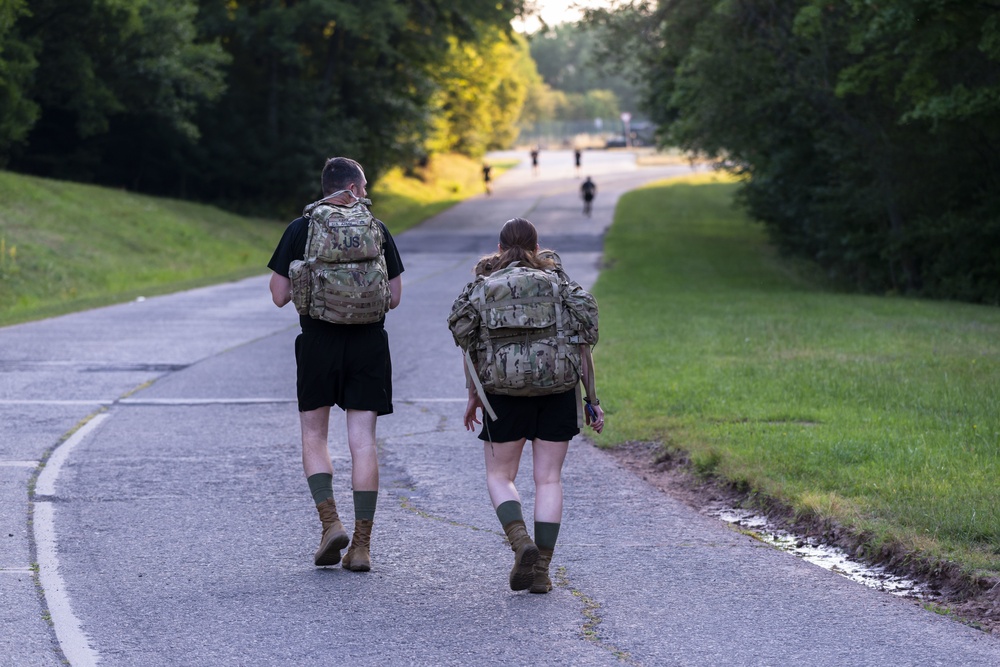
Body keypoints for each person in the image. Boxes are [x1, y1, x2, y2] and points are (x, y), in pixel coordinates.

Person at [448, 218, 604, 594]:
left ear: (499, 250)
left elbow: (465, 341)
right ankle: (542, 572)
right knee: (548, 479)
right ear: (537, 248)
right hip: (557, 391)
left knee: (501, 476)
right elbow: (584, 343)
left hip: (503, 395)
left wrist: (474, 395)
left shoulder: (483, 288)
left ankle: (521, 543)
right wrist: (592, 400)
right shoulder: (560, 284)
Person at [267, 156, 404, 571]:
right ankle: (361, 546)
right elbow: (394, 297)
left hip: (318, 343)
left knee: (314, 436)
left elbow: (277, 294)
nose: (365, 195)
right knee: (362, 442)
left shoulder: (301, 227)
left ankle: (330, 525)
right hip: (368, 343)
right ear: (351, 188)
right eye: (363, 188)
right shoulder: (376, 229)